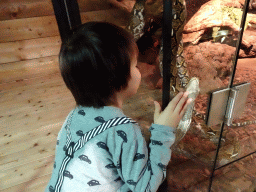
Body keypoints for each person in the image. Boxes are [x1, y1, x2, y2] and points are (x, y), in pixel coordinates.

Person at [45, 21, 192, 192]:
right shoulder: (123, 129)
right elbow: (145, 187)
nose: (139, 69)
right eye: (135, 64)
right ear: (117, 78)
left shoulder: (74, 116)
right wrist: (163, 131)